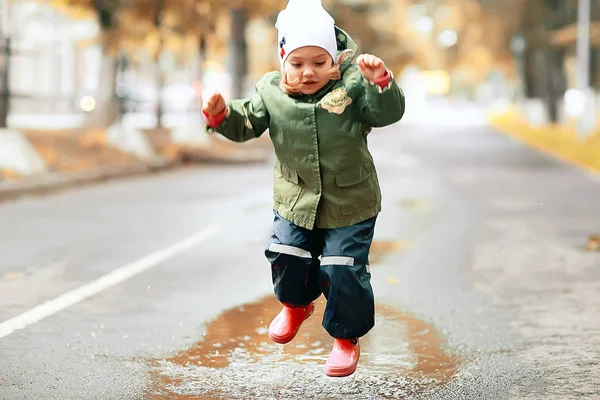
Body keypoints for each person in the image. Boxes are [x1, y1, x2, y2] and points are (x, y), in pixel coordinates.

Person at [201, 0, 405, 377]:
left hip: (351, 201)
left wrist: (381, 84)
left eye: (318, 62)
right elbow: (246, 122)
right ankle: (295, 305)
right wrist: (219, 115)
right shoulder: (271, 91)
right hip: (296, 199)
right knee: (285, 253)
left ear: (334, 59)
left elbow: (387, 113)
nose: (308, 72)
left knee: (341, 267)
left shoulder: (354, 85)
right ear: (283, 60)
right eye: (297, 64)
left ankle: (346, 337)